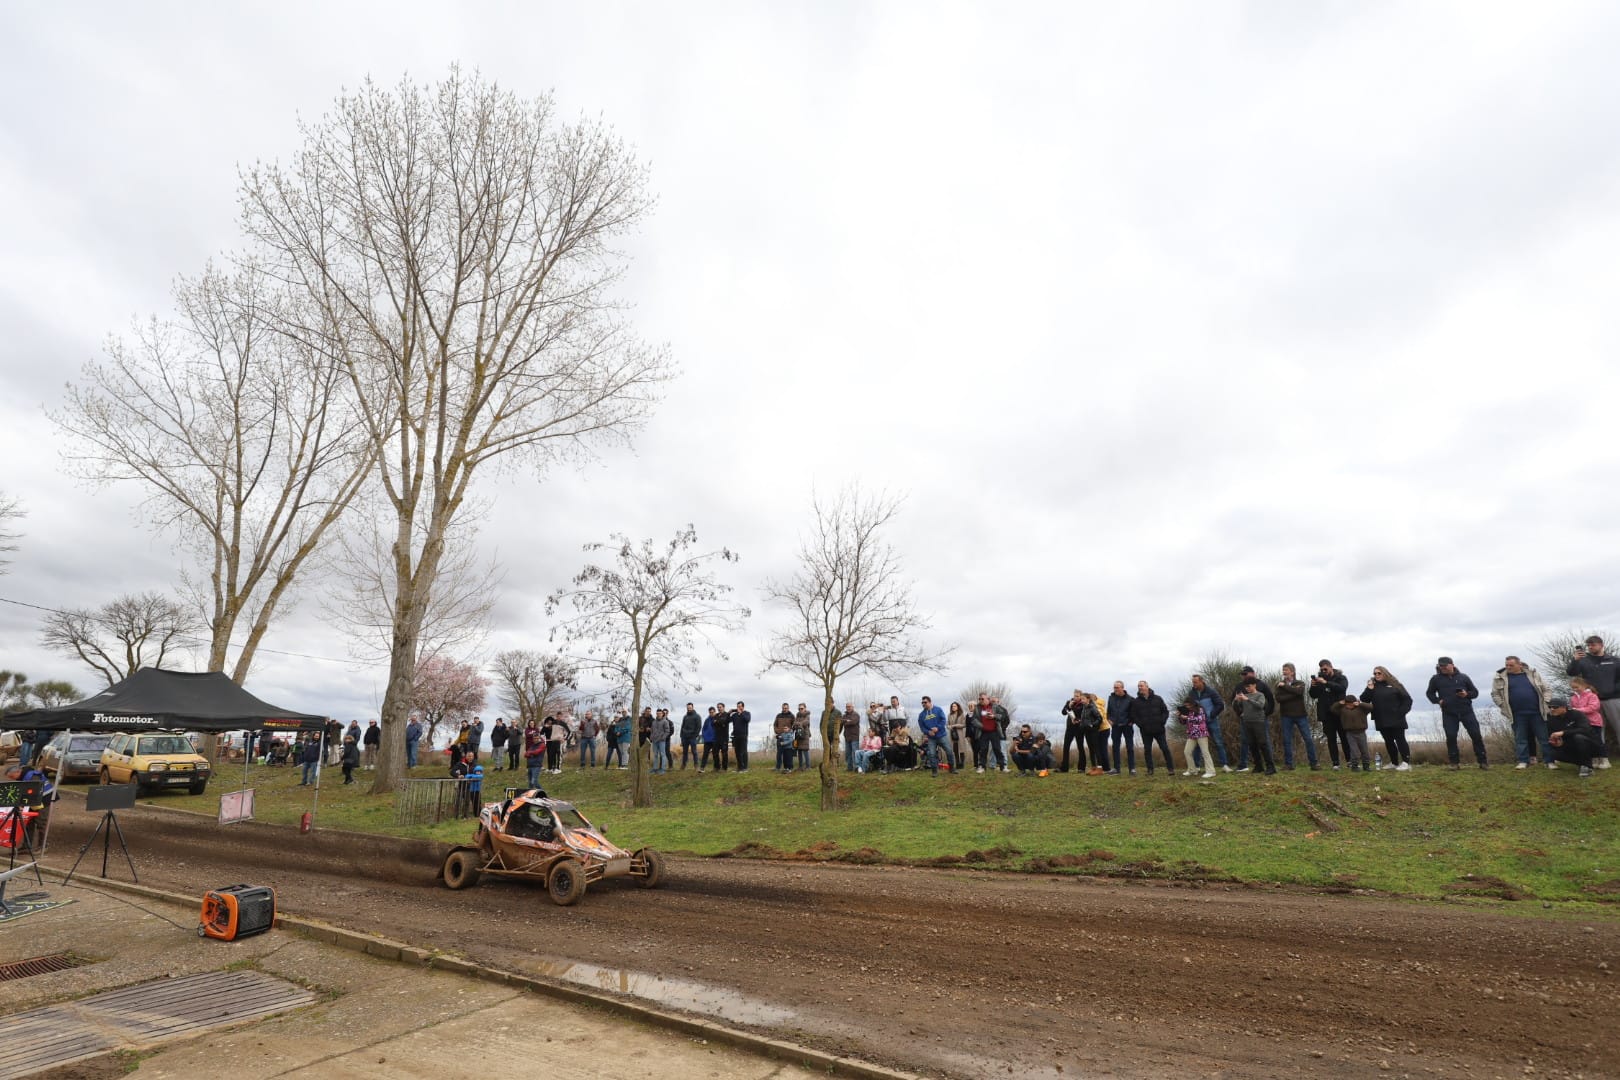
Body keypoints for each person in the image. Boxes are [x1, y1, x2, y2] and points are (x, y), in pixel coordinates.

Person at [1490, 656, 1552, 770]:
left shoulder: (1533, 674)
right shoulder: (1499, 678)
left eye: (1511, 665)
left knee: (1544, 738)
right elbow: (1495, 694)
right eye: (1506, 665)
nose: (1508, 667)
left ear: (1520, 665)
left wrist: (1546, 701)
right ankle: (1523, 761)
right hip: (1516, 714)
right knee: (1520, 739)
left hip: (1537, 712)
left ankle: (1549, 761)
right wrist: (1502, 705)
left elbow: (1546, 689)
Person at [1566, 635, 1619, 769]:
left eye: (1593, 644)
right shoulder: (1583, 661)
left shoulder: (1614, 660)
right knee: (1596, 730)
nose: (1590, 647)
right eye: (1589, 645)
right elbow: (1571, 672)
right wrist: (1575, 660)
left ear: (1601, 645)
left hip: (1613, 699)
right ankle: (1599, 757)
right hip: (1591, 700)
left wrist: (1613, 690)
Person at [1426, 657, 1487, 769]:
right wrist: (1438, 701)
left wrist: (1466, 694)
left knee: (1476, 735)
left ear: (1452, 665)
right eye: (1441, 666)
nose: (1443, 668)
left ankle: (1483, 762)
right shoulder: (1435, 679)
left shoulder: (1464, 677)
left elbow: (1475, 692)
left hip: (1467, 711)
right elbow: (1429, 693)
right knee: (1451, 736)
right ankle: (1454, 763)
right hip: (1449, 713)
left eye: (1445, 666)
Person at [1360, 666, 1414, 770]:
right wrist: (1369, 688)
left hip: (1397, 718)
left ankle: (1406, 763)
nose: (1376, 675)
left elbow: (1408, 700)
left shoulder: (1396, 685)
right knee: (1388, 741)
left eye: (1379, 673)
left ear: (1385, 673)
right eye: (1375, 674)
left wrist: (1401, 712)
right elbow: (1364, 699)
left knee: (1400, 739)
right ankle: (1394, 762)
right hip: (1380, 718)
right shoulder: (1373, 686)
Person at [1274, 664, 1318, 770]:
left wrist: (1285, 687)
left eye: (1286, 670)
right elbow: (1279, 698)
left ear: (1292, 672)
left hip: (1300, 715)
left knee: (1308, 739)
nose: (1284, 672)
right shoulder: (1278, 684)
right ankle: (1289, 764)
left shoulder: (1299, 683)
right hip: (1286, 716)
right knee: (1287, 740)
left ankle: (1314, 763)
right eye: (1283, 670)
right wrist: (1293, 692)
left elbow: (1300, 692)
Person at [1309, 660, 1352, 769]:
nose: (1323, 671)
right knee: (1331, 739)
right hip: (1326, 714)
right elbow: (1313, 695)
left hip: (1340, 713)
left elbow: (1342, 688)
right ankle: (1336, 763)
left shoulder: (1341, 678)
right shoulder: (1320, 680)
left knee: (1344, 738)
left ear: (1331, 667)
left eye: (1325, 669)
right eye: (1321, 669)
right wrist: (1313, 685)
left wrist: (1326, 683)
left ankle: (1350, 761)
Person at [1233, 675, 1277, 775]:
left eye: (1249, 686)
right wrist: (1236, 700)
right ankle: (1258, 766)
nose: (1247, 688)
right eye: (1246, 687)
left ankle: (1271, 767)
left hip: (1259, 721)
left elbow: (1260, 705)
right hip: (1247, 722)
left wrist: (1247, 700)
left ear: (1254, 685)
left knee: (1263, 744)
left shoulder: (1260, 695)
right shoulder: (1245, 696)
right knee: (1252, 745)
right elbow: (1236, 707)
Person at [1547, 697, 1601, 775]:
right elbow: (1552, 735)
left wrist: (1563, 733)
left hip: (1590, 743)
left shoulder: (1577, 714)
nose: (1552, 709)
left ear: (1564, 707)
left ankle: (1587, 767)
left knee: (1578, 737)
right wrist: (1557, 743)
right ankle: (1582, 764)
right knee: (1552, 753)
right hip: (1570, 745)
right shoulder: (1552, 720)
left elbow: (1585, 730)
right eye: (1550, 707)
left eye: (1555, 707)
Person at [1129, 681, 1172, 776]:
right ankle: (1150, 770)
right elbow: (1134, 715)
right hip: (1145, 730)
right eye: (1138, 686)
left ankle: (1170, 769)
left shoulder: (1158, 698)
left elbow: (1165, 711)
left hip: (1159, 729)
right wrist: (1141, 724)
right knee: (1147, 750)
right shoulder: (1136, 702)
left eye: (1141, 686)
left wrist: (1162, 722)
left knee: (1164, 748)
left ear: (1147, 687)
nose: (1140, 687)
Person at [1187, 674, 1229, 772]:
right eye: (1193, 682)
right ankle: (1197, 766)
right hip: (1198, 724)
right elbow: (1189, 706)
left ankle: (1224, 765)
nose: (1194, 684)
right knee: (1197, 745)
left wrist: (1211, 715)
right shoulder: (1191, 693)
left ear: (1202, 681)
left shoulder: (1211, 691)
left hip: (1211, 722)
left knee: (1218, 743)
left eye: (1195, 682)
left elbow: (1220, 705)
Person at [1059, 689, 1100, 774]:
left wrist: (1078, 720)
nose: (1075, 697)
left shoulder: (1083, 704)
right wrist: (1069, 706)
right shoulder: (1069, 702)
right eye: (1074, 695)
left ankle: (1081, 768)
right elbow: (1063, 712)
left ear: (1080, 697)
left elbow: (1084, 716)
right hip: (1070, 728)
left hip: (1079, 728)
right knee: (1066, 746)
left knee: (1080, 747)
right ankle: (1064, 768)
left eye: (1077, 696)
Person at [1331, 696, 1375, 771]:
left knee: (1364, 750)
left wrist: (1360, 704)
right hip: (1350, 733)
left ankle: (1366, 766)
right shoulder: (1342, 710)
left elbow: (1371, 707)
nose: (1350, 705)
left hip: (1361, 732)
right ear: (1345, 703)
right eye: (1348, 703)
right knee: (1354, 751)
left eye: (1351, 703)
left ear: (1354, 702)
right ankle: (1354, 766)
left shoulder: (1362, 709)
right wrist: (1339, 703)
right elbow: (1333, 709)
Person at [1177, 699, 1216, 779]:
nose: (1187, 707)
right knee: (1187, 751)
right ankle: (1192, 770)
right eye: (1185, 705)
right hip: (1191, 734)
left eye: (1188, 705)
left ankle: (1211, 771)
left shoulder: (1200, 709)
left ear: (1192, 704)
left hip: (1201, 733)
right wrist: (1180, 716)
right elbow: (1183, 722)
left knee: (1205, 752)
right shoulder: (1188, 712)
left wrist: (1187, 718)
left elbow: (1200, 719)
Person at [1106, 680, 1135, 775]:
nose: (1115, 689)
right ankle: (1116, 769)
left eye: (1117, 687)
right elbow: (1108, 712)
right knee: (1115, 747)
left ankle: (1132, 769)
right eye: (1114, 687)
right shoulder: (1111, 698)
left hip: (1127, 726)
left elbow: (1134, 713)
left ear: (1123, 688)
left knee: (1130, 747)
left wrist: (1132, 721)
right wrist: (1109, 720)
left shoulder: (1130, 699)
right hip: (1115, 726)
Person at [972, 693, 1005, 773]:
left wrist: (994, 716)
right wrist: (982, 726)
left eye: (982, 699)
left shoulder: (995, 706)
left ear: (988, 699)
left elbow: (1003, 715)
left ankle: (1003, 767)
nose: (980, 700)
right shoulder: (977, 708)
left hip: (994, 732)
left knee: (997, 749)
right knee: (983, 750)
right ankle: (982, 767)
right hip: (983, 732)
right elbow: (974, 720)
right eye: (979, 699)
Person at [917, 696, 949, 775]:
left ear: (930, 702)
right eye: (922, 703)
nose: (923, 704)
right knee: (931, 754)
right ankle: (934, 771)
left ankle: (952, 768)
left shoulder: (938, 710)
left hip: (941, 735)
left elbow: (943, 720)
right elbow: (922, 727)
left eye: (925, 702)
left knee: (949, 751)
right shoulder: (921, 715)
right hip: (931, 738)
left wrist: (937, 728)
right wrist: (928, 732)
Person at [732, 702, 753, 772]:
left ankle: (745, 768)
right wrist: (729, 712)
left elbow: (747, 720)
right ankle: (739, 767)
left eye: (740, 706)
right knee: (737, 752)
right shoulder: (734, 715)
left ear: (743, 707)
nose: (738, 708)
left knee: (743, 752)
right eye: (737, 706)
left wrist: (741, 713)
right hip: (735, 736)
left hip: (743, 735)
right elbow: (728, 720)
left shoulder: (747, 713)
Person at [650, 709, 673, 774]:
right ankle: (655, 769)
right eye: (657, 713)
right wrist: (651, 738)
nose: (658, 714)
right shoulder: (653, 722)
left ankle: (663, 769)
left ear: (662, 714)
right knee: (655, 755)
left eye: (660, 713)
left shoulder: (665, 722)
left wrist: (663, 738)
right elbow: (652, 731)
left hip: (662, 741)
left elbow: (667, 731)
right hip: (654, 741)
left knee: (663, 754)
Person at [680, 704, 702, 770]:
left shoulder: (697, 716)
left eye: (690, 708)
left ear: (692, 707)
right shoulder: (685, 717)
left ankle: (696, 765)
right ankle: (683, 765)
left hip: (692, 737)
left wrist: (695, 735)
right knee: (684, 752)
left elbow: (699, 727)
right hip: (685, 737)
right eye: (688, 708)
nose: (689, 709)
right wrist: (681, 736)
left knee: (694, 751)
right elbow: (682, 726)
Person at [524, 720, 545, 788]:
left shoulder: (542, 745)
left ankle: (543, 795)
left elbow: (537, 752)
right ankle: (530, 797)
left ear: (539, 738)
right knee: (530, 784)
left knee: (534, 781)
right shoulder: (532, 746)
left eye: (537, 738)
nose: (535, 739)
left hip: (536, 765)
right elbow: (525, 755)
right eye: (534, 738)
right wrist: (530, 753)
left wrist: (530, 753)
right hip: (530, 765)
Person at [842, 703, 862, 771]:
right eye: (847, 706)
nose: (848, 708)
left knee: (855, 752)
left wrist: (846, 722)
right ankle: (849, 767)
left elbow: (853, 722)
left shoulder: (856, 714)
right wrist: (846, 721)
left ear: (853, 707)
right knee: (848, 753)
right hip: (847, 736)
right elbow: (842, 721)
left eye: (849, 706)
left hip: (854, 736)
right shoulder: (844, 715)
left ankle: (856, 767)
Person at [792, 704, 811, 771]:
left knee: (805, 750)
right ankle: (800, 767)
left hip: (805, 735)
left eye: (802, 708)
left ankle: (808, 767)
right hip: (798, 735)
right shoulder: (797, 716)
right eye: (799, 708)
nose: (800, 710)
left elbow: (806, 723)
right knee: (799, 751)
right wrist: (798, 724)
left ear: (805, 708)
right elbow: (794, 724)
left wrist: (798, 724)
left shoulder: (807, 715)